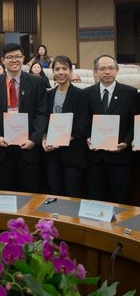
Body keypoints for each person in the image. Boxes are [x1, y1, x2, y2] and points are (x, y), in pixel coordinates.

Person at [0, 43, 48, 193]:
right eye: (10, 57)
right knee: (6, 190)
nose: (14, 60)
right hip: (3, 145)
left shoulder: (37, 82)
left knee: (29, 190)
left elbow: (41, 112)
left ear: (24, 58)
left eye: (18, 57)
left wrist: (34, 139)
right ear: (3, 60)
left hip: (28, 145)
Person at [84, 55, 138, 204]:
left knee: (120, 199)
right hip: (96, 158)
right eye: (102, 68)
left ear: (117, 70)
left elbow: (135, 122)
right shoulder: (87, 93)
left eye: (111, 68)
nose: (107, 72)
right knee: (96, 199)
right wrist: (88, 138)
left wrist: (126, 142)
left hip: (121, 157)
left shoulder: (131, 93)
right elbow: (85, 121)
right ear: (95, 72)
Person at [43, 55, 88, 198]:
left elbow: (82, 124)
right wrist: (44, 138)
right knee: (54, 191)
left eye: (64, 68)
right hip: (52, 154)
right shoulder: (47, 95)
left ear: (70, 71)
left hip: (73, 152)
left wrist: (61, 140)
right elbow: (43, 121)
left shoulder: (81, 95)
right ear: (53, 72)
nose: (60, 72)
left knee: (72, 192)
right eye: (57, 69)